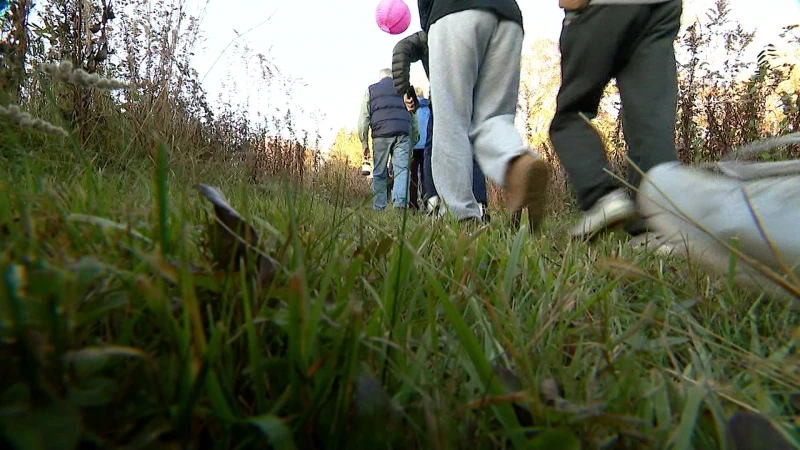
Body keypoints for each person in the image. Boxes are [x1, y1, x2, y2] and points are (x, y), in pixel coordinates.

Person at [548, 0, 683, 241]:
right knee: (650, 121)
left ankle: (602, 197)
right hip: (662, 6)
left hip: (604, 6)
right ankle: (656, 229)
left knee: (570, 116)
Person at [419, 0, 550, 226]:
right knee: (494, 119)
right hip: (507, 14)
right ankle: (516, 164)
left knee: (451, 119)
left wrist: (428, 24)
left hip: (451, 11)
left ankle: (460, 215)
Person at [391, 31, 492, 218]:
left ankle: (433, 200)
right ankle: (478, 203)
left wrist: (404, 89)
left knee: (433, 147)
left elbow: (401, 49)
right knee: (471, 145)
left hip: (442, 96)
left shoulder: (429, 33)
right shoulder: (472, 27)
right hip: (471, 95)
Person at [358, 68, 420, 211]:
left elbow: (363, 119)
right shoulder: (405, 89)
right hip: (402, 134)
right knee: (402, 171)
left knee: (379, 172)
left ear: (380, 79)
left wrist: (364, 142)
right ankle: (400, 205)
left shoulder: (371, 90)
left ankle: (379, 207)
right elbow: (414, 117)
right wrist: (414, 140)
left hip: (380, 135)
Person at [409, 86, 430, 210]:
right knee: (425, 174)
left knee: (412, 175)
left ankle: (412, 204)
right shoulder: (428, 107)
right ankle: (427, 200)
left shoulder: (411, 108)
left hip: (413, 145)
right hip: (426, 145)